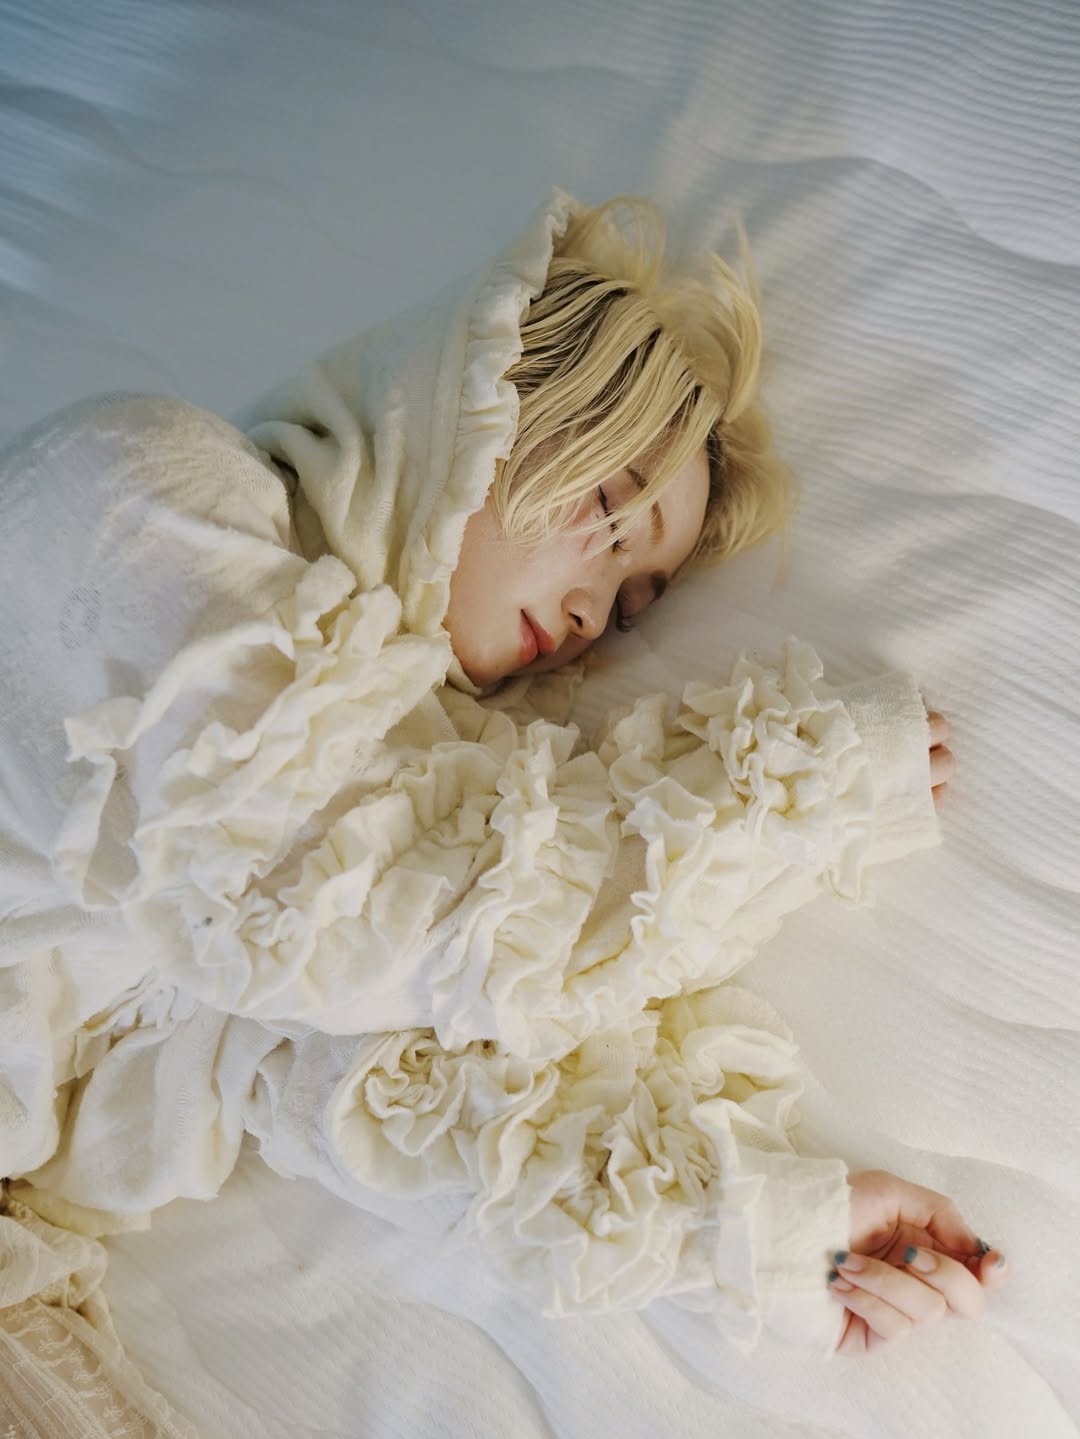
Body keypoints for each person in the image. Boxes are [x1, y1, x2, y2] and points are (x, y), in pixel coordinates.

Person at [0, 186, 1005, 1387]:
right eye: (605, 512)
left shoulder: (377, 780)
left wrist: (774, 1226)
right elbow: (388, 914)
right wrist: (784, 790)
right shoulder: (135, 486)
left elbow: (382, 1086)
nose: (589, 613)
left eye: (629, 607)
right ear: (479, 403)